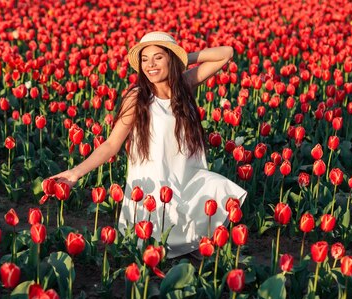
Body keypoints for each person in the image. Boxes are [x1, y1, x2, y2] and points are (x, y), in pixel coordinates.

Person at [50, 31, 246, 257]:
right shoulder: (138, 97)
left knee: (220, 188)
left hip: (187, 180)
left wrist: (181, 58)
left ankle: (189, 241)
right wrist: (76, 172)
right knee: (154, 245)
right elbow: (112, 144)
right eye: (145, 59)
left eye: (158, 57)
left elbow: (226, 53)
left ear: (171, 60)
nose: (150, 65)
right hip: (153, 193)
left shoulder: (184, 85)